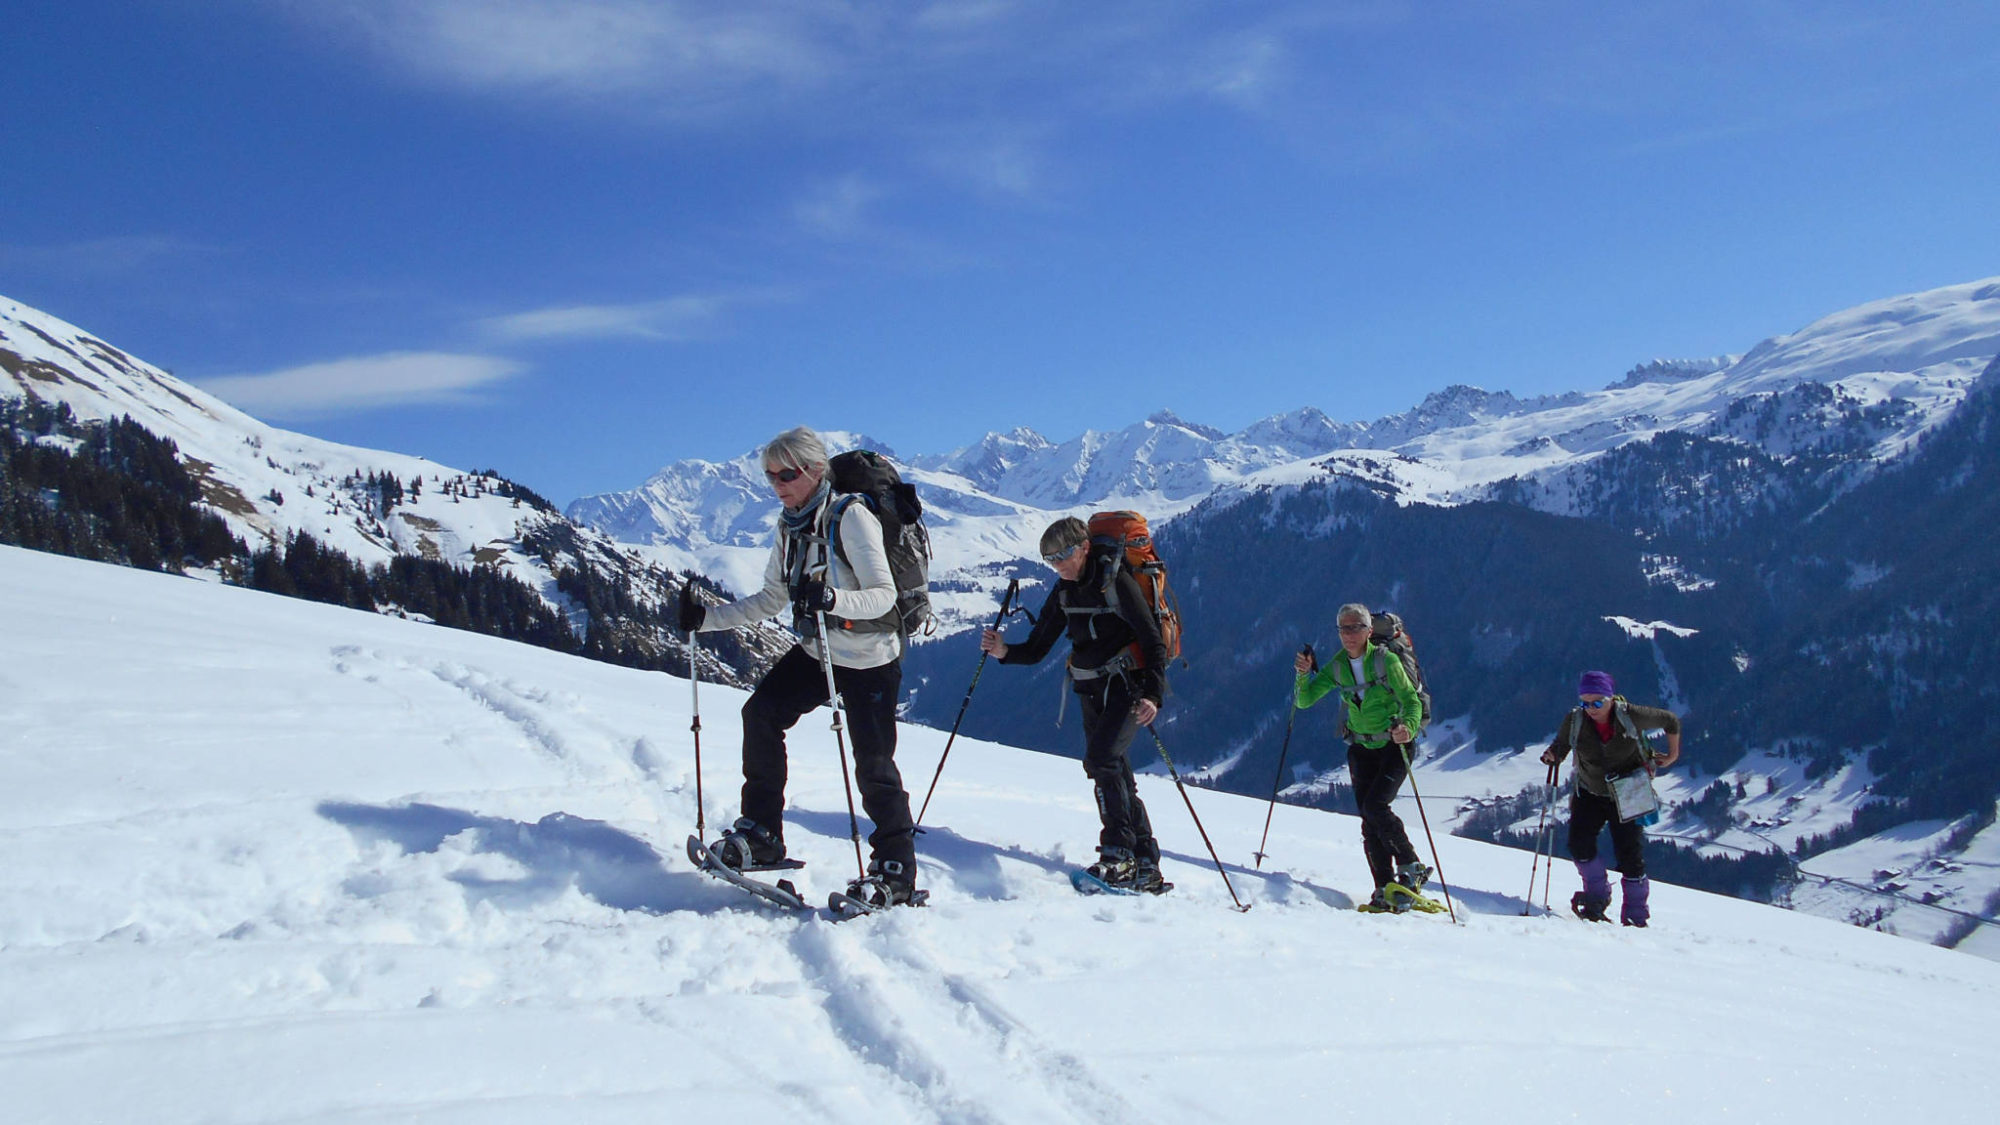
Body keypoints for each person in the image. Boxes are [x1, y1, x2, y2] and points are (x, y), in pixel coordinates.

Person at [676, 426, 921, 908]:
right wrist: (707, 621)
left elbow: (883, 594)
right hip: (819, 650)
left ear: (814, 471)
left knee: (873, 764)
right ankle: (763, 832)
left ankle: (896, 868)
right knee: (761, 713)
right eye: (770, 476)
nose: (778, 484)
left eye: (787, 474)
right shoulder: (790, 525)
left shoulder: (850, 517)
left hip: (870, 655)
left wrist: (832, 598)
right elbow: (773, 597)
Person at [978, 517, 1171, 893]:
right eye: (1051, 560)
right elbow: (1037, 648)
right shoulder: (1064, 590)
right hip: (1088, 688)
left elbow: (1152, 640)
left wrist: (1153, 694)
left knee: (1101, 760)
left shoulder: (1115, 581)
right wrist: (1004, 652)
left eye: (1064, 555)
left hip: (1127, 685)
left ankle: (1118, 855)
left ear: (1084, 547)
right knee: (1113, 768)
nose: (1059, 565)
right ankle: (1145, 859)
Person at [1293, 603, 1431, 912]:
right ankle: (1384, 887)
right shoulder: (1338, 666)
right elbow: (1305, 701)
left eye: (1356, 627)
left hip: (1395, 746)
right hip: (1360, 748)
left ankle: (1411, 864)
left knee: (1375, 806)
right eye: (1344, 628)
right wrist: (1302, 674)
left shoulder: (1387, 660)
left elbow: (1411, 700)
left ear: (1369, 631)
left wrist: (1408, 729)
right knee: (1369, 822)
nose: (1349, 634)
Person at [1540, 671, 1682, 926]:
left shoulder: (1630, 715)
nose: (1591, 708)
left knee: (1630, 854)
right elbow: (1562, 745)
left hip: (1628, 791)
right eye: (1585, 702)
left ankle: (1636, 915)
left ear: (1610, 698)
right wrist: (1553, 754)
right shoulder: (1575, 720)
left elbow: (1670, 720)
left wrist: (1672, 755)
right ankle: (1598, 896)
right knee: (1579, 844)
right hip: (1591, 791)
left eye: (1597, 702)